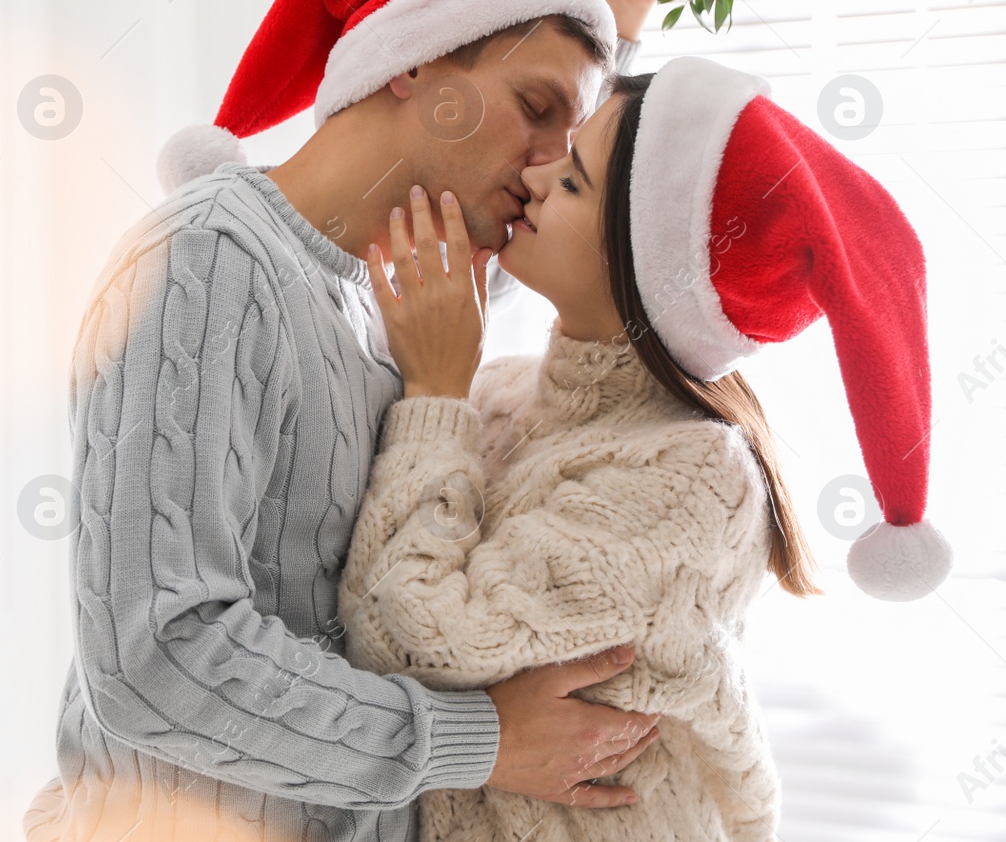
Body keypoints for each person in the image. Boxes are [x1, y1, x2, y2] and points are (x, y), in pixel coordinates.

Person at [23, 0, 710, 842]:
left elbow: (566, 245)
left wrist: (611, 4)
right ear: (413, 67)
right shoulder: (206, 261)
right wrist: (483, 739)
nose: (555, 159)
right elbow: (157, 658)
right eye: (534, 104)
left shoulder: (387, 281)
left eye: (572, 132)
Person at [338, 56, 952, 841]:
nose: (536, 168)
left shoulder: (693, 476)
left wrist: (432, 391)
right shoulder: (497, 396)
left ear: (643, 263)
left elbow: (404, 635)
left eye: (572, 181)